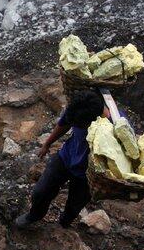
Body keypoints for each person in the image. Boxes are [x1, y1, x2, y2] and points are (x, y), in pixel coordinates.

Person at [15, 89, 109, 229]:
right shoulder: (78, 109)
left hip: (89, 173)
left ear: (93, 122)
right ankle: (34, 215)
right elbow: (64, 124)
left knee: (75, 204)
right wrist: (47, 144)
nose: (76, 127)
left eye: (79, 126)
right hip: (66, 156)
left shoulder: (114, 125)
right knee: (41, 191)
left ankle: (64, 223)